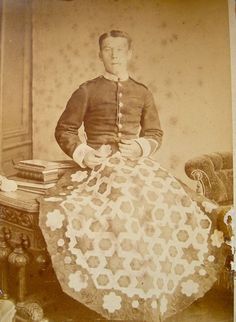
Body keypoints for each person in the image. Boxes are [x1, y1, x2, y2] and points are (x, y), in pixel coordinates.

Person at [39, 30, 231, 322]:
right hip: (100, 167)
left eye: (119, 50)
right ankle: (117, 296)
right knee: (117, 214)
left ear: (130, 54)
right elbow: (64, 129)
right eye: (107, 49)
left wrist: (141, 147)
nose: (114, 55)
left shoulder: (142, 92)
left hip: (138, 166)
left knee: (168, 208)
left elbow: (155, 133)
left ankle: (152, 294)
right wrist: (86, 155)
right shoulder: (86, 90)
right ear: (100, 54)